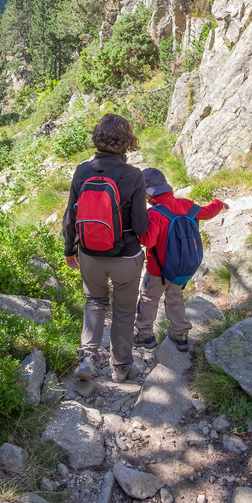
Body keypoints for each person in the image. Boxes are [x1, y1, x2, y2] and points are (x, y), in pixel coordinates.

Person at [63, 113, 148, 383]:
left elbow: (70, 217)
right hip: (125, 256)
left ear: (97, 138)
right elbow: (141, 225)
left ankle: (88, 356)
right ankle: (121, 367)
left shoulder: (82, 171)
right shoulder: (133, 175)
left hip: (89, 254)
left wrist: (70, 250)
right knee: (123, 311)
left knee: (95, 302)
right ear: (127, 141)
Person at [135, 167, 228, 352]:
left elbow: (148, 240)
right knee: (175, 298)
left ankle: (145, 335)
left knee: (148, 298)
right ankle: (181, 334)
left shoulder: (154, 214)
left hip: (158, 270)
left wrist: (138, 229)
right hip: (182, 269)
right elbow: (208, 212)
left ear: (148, 193)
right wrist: (219, 203)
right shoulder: (186, 205)